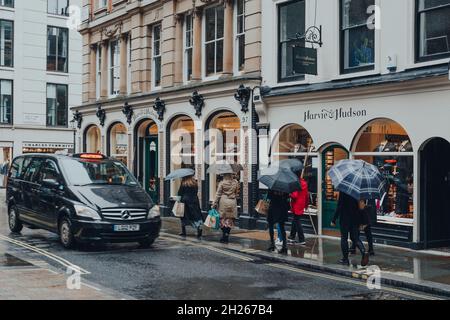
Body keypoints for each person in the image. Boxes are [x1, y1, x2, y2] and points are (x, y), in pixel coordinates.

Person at [332, 192, 369, 266]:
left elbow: (339, 206)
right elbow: (361, 206)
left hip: (345, 218)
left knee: (344, 238)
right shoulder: (358, 191)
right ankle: (363, 252)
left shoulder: (344, 191)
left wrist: (334, 219)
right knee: (355, 237)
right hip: (355, 218)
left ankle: (345, 259)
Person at [213, 173, 240, 244]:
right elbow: (237, 193)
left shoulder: (222, 183)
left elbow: (218, 194)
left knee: (223, 219)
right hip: (232, 202)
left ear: (225, 175)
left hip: (223, 202)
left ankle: (224, 235)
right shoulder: (236, 182)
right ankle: (227, 234)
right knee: (230, 219)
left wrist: (214, 203)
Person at [289, 178, 309, 245]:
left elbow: (294, 195)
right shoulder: (304, 183)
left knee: (297, 221)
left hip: (296, 204)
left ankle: (302, 239)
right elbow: (306, 195)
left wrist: (289, 194)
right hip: (301, 204)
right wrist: (306, 204)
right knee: (295, 220)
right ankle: (292, 236)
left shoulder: (296, 183)